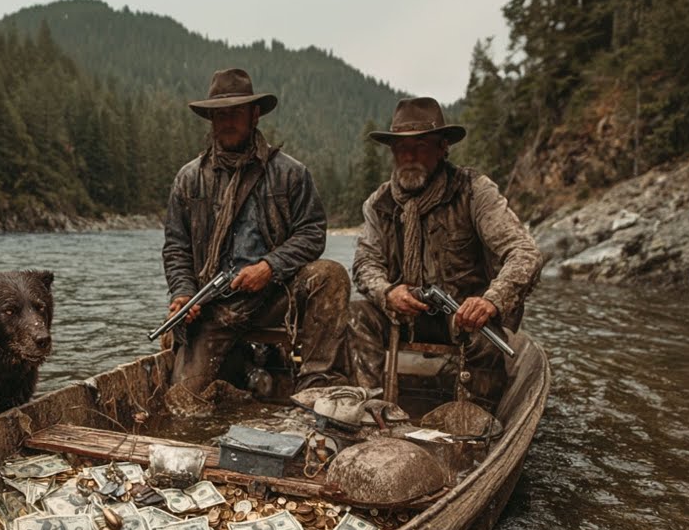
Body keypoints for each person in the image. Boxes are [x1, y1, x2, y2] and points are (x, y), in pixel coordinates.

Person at [162, 68, 350, 395]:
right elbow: (177, 248)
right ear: (211, 120)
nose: (228, 121)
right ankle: (243, 368)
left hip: (276, 296)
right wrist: (183, 293)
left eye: (236, 112)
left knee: (330, 275)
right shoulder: (189, 179)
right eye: (220, 115)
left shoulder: (290, 173)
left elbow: (312, 233)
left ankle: (314, 387)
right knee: (183, 399)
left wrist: (269, 268)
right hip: (215, 306)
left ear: (255, 115)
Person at [349, 97, 542, 406]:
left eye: (421, 146)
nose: (409, 155)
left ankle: (475, 427)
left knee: (485, 342)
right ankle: (371, 410)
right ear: (392, 153)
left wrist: (491, 301)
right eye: (401, 147)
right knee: (355, 316)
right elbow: (365, 263)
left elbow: (524, 252)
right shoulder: (378, 203)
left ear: (442, 148)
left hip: (463, 315)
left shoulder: (473, 190)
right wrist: (388, 293)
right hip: (405, 313)